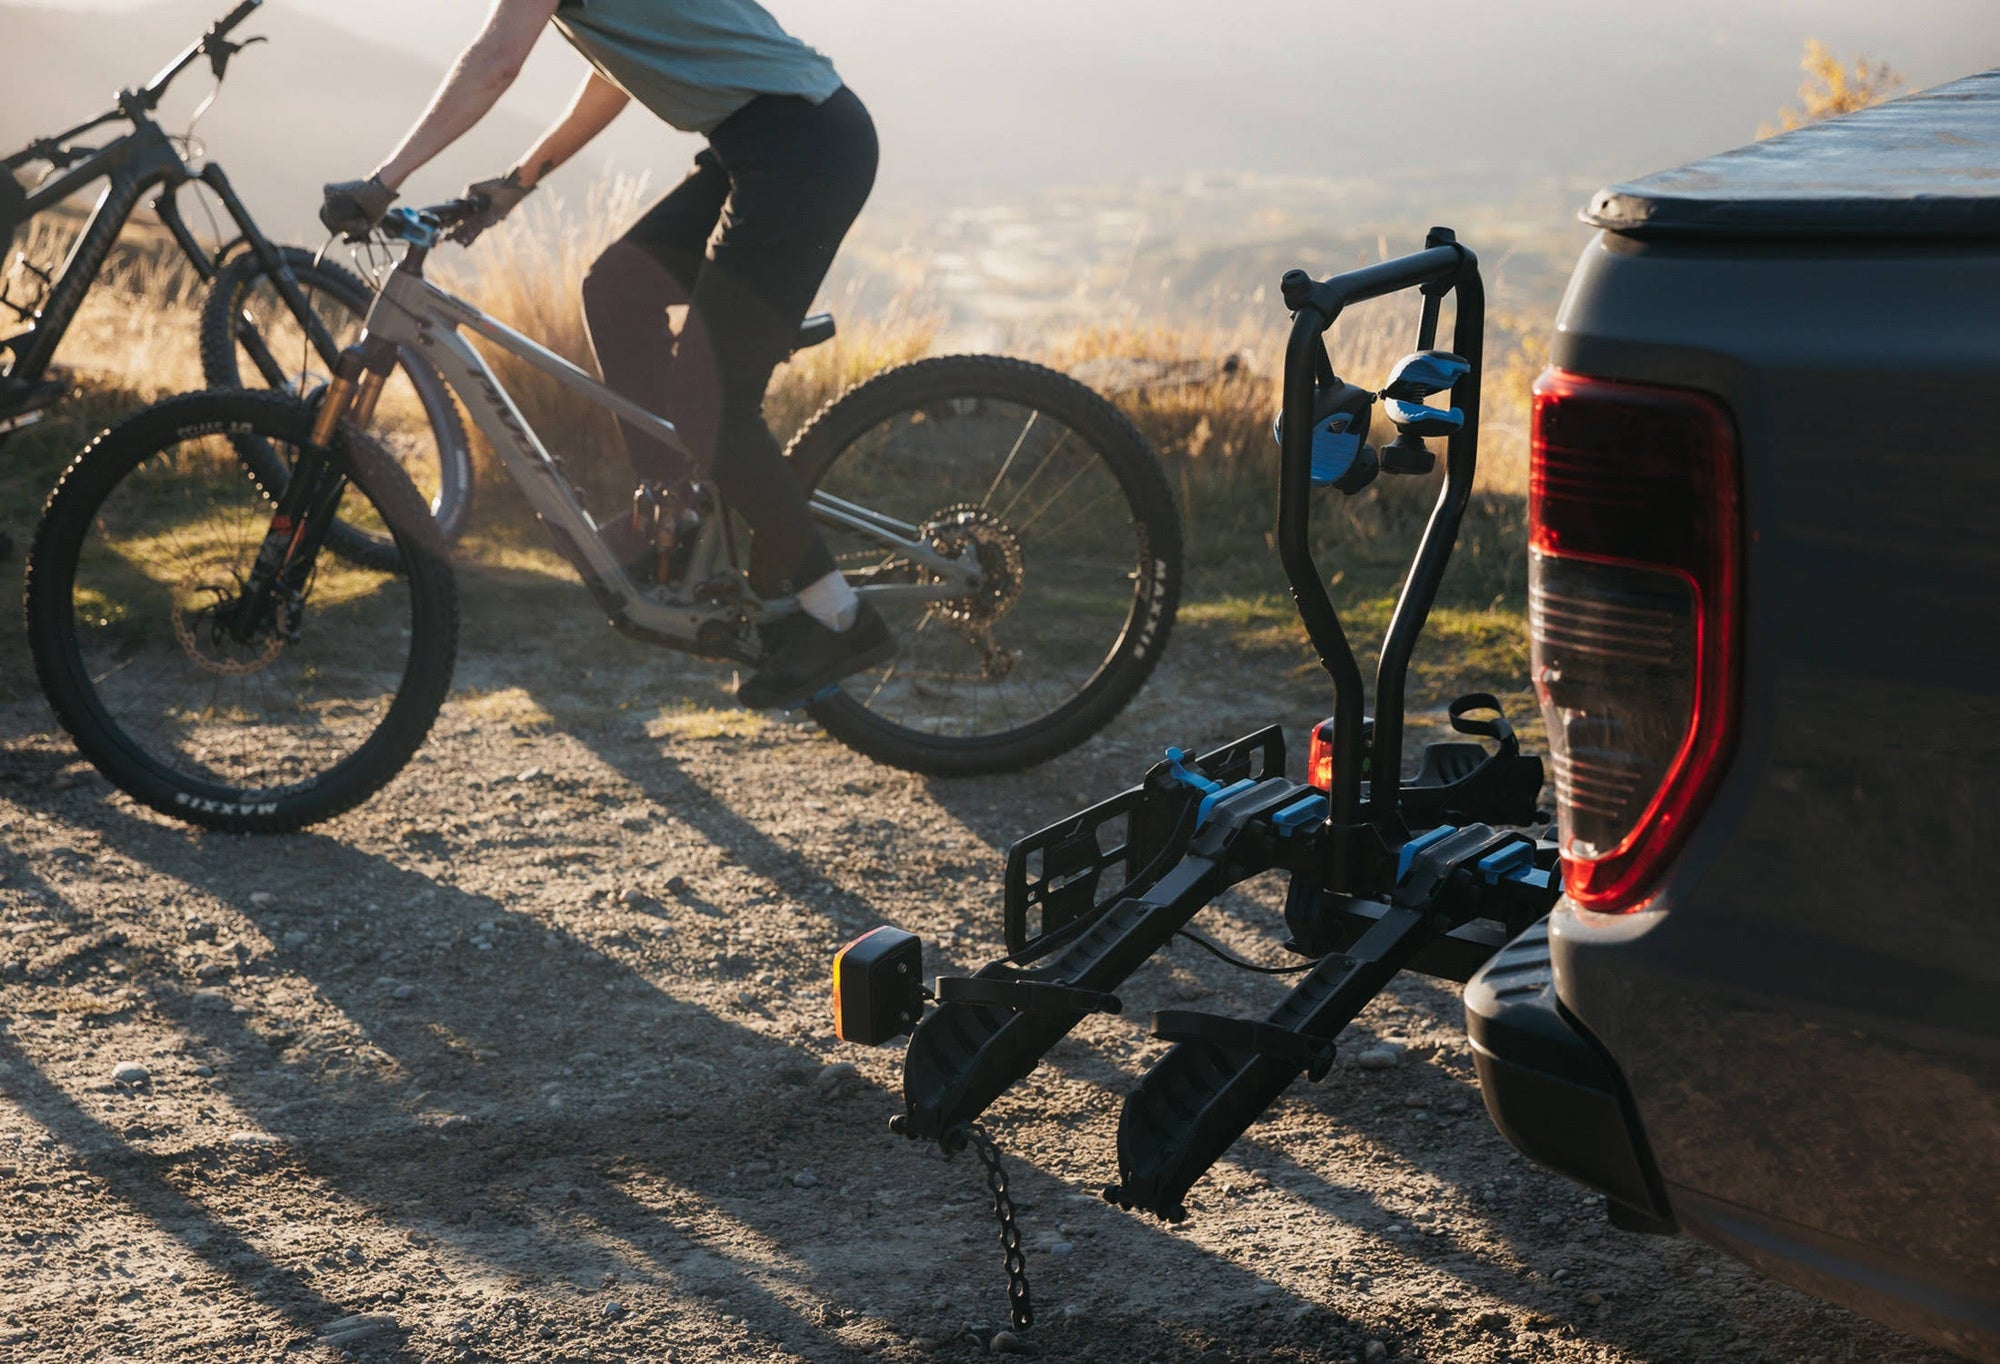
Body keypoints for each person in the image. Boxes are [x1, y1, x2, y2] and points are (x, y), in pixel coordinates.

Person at [320, 0, 892, 709]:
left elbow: (496, 59)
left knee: (710, 403)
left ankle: (838, 615)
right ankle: (670, 517)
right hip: (767, 143)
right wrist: (519, 181)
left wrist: (383, 184)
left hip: (801, 150)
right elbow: (613, 76)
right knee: (620, 288)